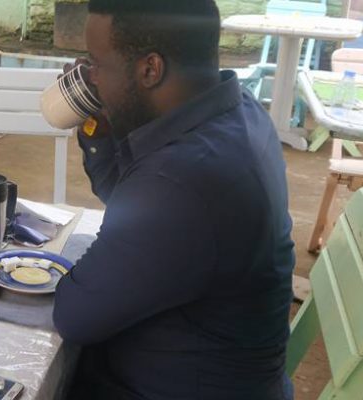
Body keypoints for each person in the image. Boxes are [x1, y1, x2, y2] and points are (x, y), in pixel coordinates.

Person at [52, 1, 296, 399]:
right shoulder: (239, 110)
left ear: (150, 69)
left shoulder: (181, 181)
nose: (89, 78)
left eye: (96, 64)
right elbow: (129, 202)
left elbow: (75, 315)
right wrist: (98, 128)